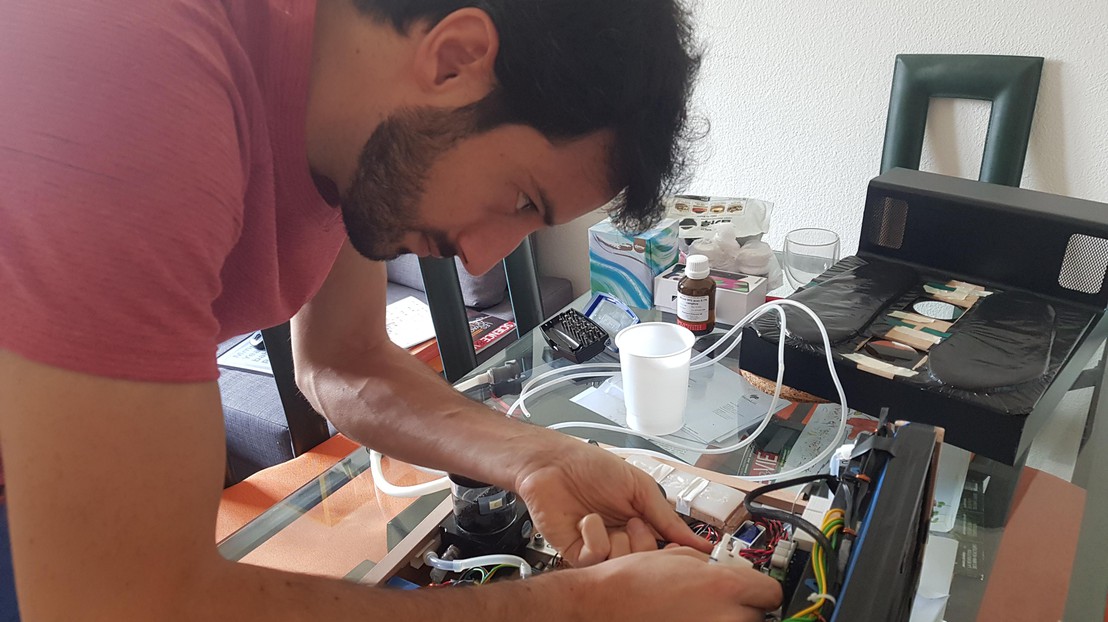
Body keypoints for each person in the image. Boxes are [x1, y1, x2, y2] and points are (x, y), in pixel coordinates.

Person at [0, 1, 782, 619]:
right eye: (519, 199)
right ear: (454, 58)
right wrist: (579, 610)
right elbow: (122, 606)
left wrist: (538, 458)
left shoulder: (352, 118)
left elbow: (343, 362)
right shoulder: (130, 54)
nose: (482, 258)